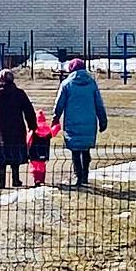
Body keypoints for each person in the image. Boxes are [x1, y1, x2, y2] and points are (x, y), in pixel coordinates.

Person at [53, 58, 108, 186]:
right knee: (86, 150)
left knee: (75, 150)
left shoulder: (67, 84)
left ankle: (78, 175)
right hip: (89, 122)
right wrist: (103, 120)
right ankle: (85, 175)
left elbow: (59, 104)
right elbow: (99, 103)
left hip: (72, 122)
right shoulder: (92, 83)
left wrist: (55, 118)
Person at [0, 69, 37, 189]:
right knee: (15, 152)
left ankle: (1, 181)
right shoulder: (19, 93)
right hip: (16, 127)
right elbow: (29, 111)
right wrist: (32, 126)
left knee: (1, 153)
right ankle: (15, 179)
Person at [27, 110, 61, 186]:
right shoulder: (48, 130)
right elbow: (54, 131)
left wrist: (26, 147)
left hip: (34, 152)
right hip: (44, 152)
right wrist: (57, 126)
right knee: (42, 166)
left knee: (35, 167)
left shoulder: (34, 130)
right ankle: (42, 179)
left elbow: (28, 139)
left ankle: (37, 180)